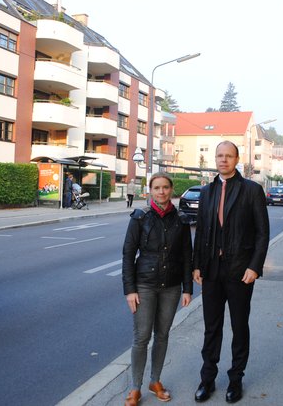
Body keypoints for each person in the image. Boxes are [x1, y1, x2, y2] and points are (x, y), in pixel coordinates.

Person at [192, 140, 270, 404]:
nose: (223, 160)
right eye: (219, 156)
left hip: (240, 272)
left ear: (237, 159)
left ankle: (235, 380)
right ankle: (207, 380)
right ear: (215, 159)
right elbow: (201, 231)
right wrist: (197, 265)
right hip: (212, 271)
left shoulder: (251, 190)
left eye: (228, 156)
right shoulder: (207, 191)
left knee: (239, 327)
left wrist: (254, 267)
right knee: (211, 328)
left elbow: (262, 233)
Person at [122, 172, 193, 406]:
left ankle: (155, 381)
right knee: (141, 337)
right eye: (157, 188)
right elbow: (128, 254)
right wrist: (129, 290)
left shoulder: (181, 219)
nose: (161, 192)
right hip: (144, 286)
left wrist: (187, 288)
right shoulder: (140, 217)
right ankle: (135, 388)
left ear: (171, 190)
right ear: (150, 191)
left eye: (165, 187)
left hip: (171, 287)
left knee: (162, 335)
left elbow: (186, 256)